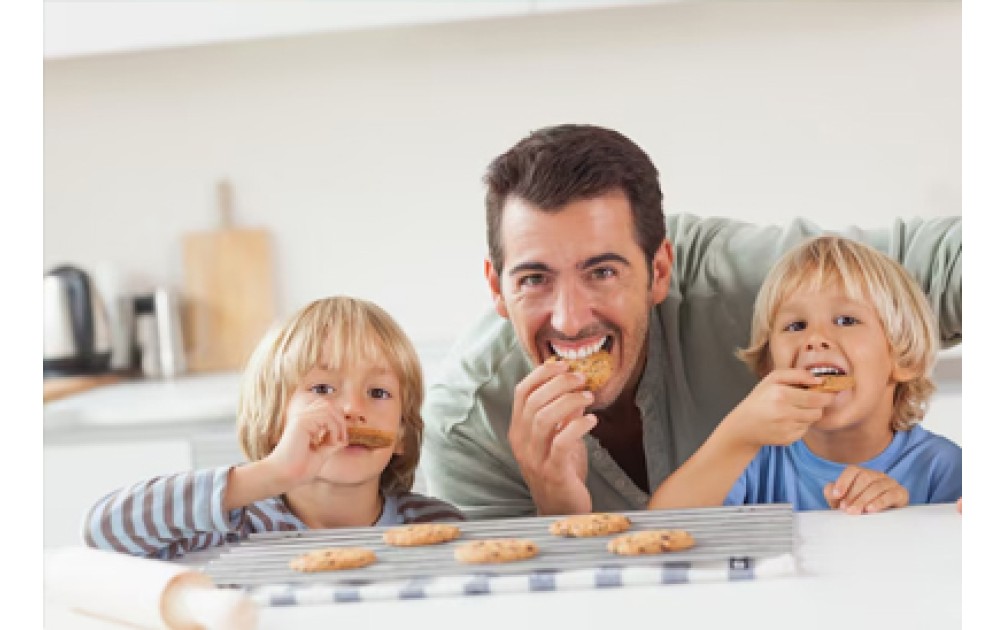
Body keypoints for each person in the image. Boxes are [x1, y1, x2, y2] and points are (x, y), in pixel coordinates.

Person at [421, 123, 961, 518]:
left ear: (659, 270)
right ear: (496, 286)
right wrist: (555, 504)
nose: (570, 318)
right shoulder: (466, 426)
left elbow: (951, 261)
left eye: (602, 271)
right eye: (534, 279)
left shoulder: (765, 289)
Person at [84, 296, 464, 559]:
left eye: (378, 392)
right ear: (273, 423)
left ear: (401, 434)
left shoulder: (436, 526)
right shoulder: (232, 525)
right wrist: (272, 473)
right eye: (322, 389)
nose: (351, 409)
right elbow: (103, 532)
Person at [647, 236, 961, 513]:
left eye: (846, 320)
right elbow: (661, 528)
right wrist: (737, 434)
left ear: (904, 357)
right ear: (770, 368)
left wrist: (907, 519)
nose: (814, 338)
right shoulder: (752, 460)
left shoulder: (943, 468)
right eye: (795, 326)